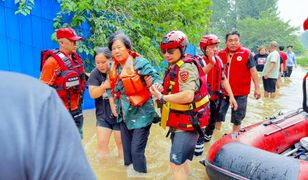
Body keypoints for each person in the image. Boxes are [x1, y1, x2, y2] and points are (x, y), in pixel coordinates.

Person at [0, 71, 95, 180]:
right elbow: (44, 84)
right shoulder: (38, 96)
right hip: (58, 112)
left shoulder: (76, 60)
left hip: (75, 111)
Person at [150, 30, 210, 179]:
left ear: (181, 49)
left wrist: (162, 96)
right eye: (163, 51)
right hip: (180, 121)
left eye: (170, 51)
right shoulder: (174, 65)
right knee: (180, 162)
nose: (166, 54)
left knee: (175, 163)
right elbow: (175, 87)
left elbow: (188, 95)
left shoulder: (185, 68)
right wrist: (162, 88)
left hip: (188, 122)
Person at [108, 32, 162, 173]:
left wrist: (156, 86)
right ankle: (129, 175)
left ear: (127, 48)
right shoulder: (113, 67)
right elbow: (110, 88)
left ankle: (140, 175)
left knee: (136, 152)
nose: (116, 51)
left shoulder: (139, 63)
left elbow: (155, 77)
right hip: (124, 114)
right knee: (127, 154)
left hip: (142, 113)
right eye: (113, 49)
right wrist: (113, 106)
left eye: (119, 47)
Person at [40, 27, 86, 137]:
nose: (75, 44)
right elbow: (42, 89)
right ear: (61, 42)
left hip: (77, 111)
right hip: (60, 113)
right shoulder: (52, 62)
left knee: (78, 145)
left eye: (76, 41)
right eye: (72, 41)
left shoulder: (76, 59)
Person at [196, 34, 238, 147]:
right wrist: (211, 63)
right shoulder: (198, 61)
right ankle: (197, 150)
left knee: (211, 127)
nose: (215, 49)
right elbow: (198, 76)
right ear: (204, 48)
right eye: (212, 46)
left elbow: (224, 79)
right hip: (202, 102)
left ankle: (207, 148)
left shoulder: (218, 60)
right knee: (199, 128)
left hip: (215, 101)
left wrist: (232, 97)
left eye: (217, 46)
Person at [216, 31, 261, 132]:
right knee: (217, 116)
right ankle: (216, 137)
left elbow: (254, 72)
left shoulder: (246, 53)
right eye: (230, 40)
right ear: (226, 42)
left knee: (237, 119)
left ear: (239, 41)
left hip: (240, 93)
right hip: (223, 92)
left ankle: (234, 137)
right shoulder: (220, 54)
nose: (233, 43)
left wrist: (257, 88)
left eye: (236, 40)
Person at [88, 47, 123, 158]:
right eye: (97, 63)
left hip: (119, 115)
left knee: (122, 147)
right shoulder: (95, 74)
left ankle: (123, 172)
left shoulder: (119, 70)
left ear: (111, 60)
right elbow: (92, 94)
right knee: (102, 147)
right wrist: (103, 86)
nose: (100, 65)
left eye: (103, 62)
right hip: (103, 116)